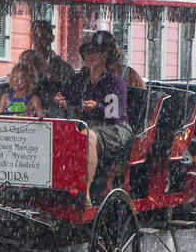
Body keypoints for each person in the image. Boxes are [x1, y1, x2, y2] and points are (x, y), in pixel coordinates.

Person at [53, 29, 134, 207]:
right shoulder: (78, 80)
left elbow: (115, 114)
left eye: (94, 52)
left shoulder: (115, 81)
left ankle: (85, 193)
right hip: (86, 125)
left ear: (105, 56)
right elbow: (64, 97)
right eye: (87, 52)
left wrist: (97, 106)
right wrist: (60, 100)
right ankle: (58, 188)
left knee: (86, 136)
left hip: (115, 128)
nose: (89, 56)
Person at [19, 19, 74, 84]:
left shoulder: (64, 68)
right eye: (34, 36)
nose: (37, 40)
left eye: (42, 36)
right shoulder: (26, 61)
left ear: (51, 38)